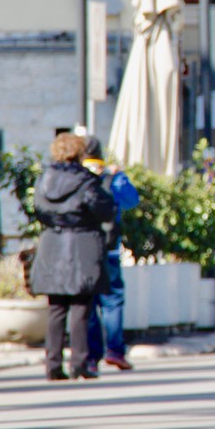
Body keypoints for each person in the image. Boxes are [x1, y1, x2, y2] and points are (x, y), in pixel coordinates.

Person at [31, 133, 115, 381]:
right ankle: (80, 362)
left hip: (52, 243)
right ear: (80, 153)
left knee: (56, 308)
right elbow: (105, 210)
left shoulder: (44, 179)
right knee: (81, 308)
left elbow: (39, 209)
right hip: (82, 244)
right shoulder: (85, 180)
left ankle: (53, 364)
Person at [83, 136, 140, 373]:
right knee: (112, 300)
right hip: (110, 248)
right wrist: (120, 175)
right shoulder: (112, 176)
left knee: (88, 302)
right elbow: (132, 201)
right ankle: (115, 350)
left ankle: (91, 356)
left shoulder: (75, 177)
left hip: (83, 249)